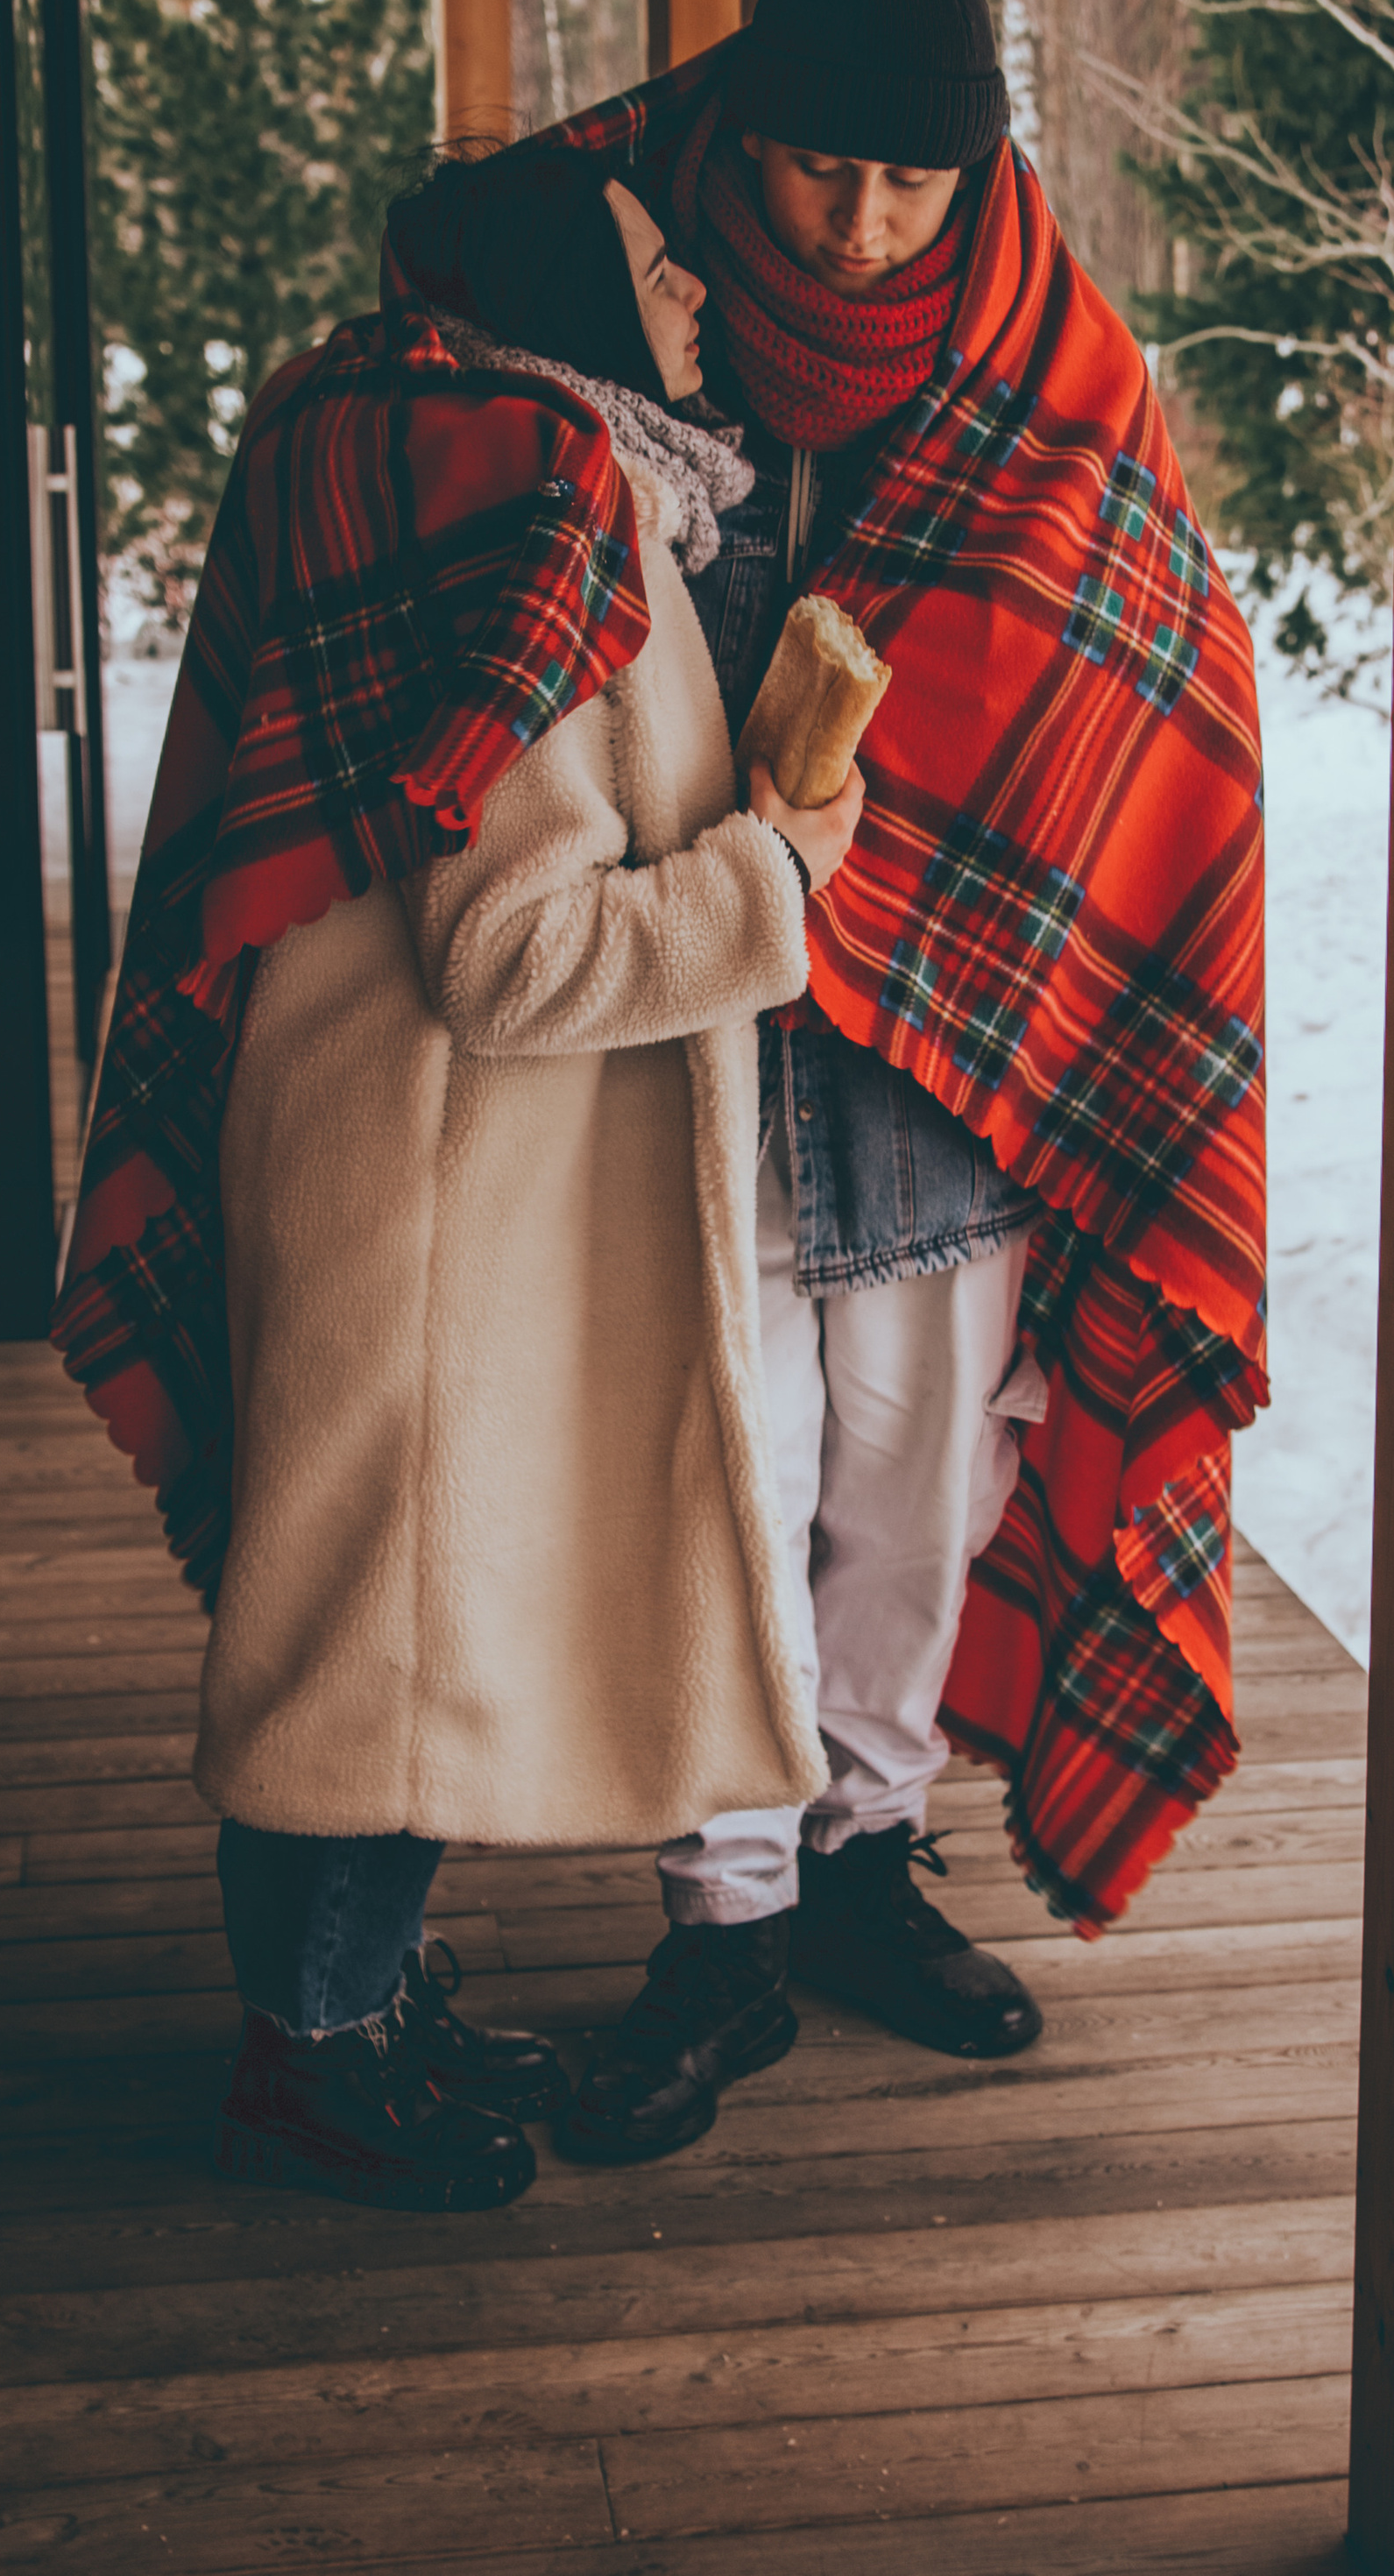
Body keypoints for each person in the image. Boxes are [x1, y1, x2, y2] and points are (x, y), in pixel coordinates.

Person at [407, 0, 1270, 2169]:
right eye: (818, 170)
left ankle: (867, 1858)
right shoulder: (610, 311)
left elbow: (1140, 657)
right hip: (680, 1005)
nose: (864, 225)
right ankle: (723, 1924)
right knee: (721, 1471)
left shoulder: (1045, 350)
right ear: (739, 137)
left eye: (910, 182)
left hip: (947, 1034)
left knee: (915, 1479)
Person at [57, 159, 863, 2210]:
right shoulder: (542, 509)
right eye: (660, 270)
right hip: (439, 1202)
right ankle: (310, 2057)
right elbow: (513, 957)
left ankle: (363, 2004)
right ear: (572, 296)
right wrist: (774, 872)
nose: (698, 299)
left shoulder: (421, 450)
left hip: (389, 1170)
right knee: (374, 1649)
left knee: (378, 1614)